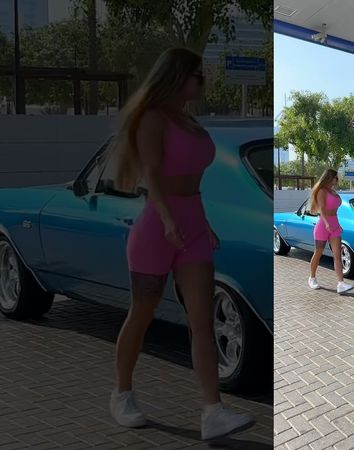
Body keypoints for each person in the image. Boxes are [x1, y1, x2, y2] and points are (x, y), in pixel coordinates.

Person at [108, 47, 254, 440]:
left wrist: (201, 223)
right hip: (158, 227)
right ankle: (122, 394)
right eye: (198, 76)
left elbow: (193, 185)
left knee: (202, 321)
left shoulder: (186, 121)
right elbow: (152, 176)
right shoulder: (153, 120)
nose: (202, 82)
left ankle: (213, 411)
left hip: (191, 228)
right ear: (179, 77)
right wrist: (170, 219)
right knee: (141, 314)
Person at [308, 169, 354, 294]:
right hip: (323, 224)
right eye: (336, 178)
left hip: (334, 225)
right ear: (330, 178)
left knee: (337, 255)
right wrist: (327, 223)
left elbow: (335, 212)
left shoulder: (333, 192)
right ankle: (312, 278)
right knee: (318, 252)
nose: (337, 180)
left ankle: (341, 284)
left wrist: (337, 225)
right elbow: (321, 209)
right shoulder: (322, 191)